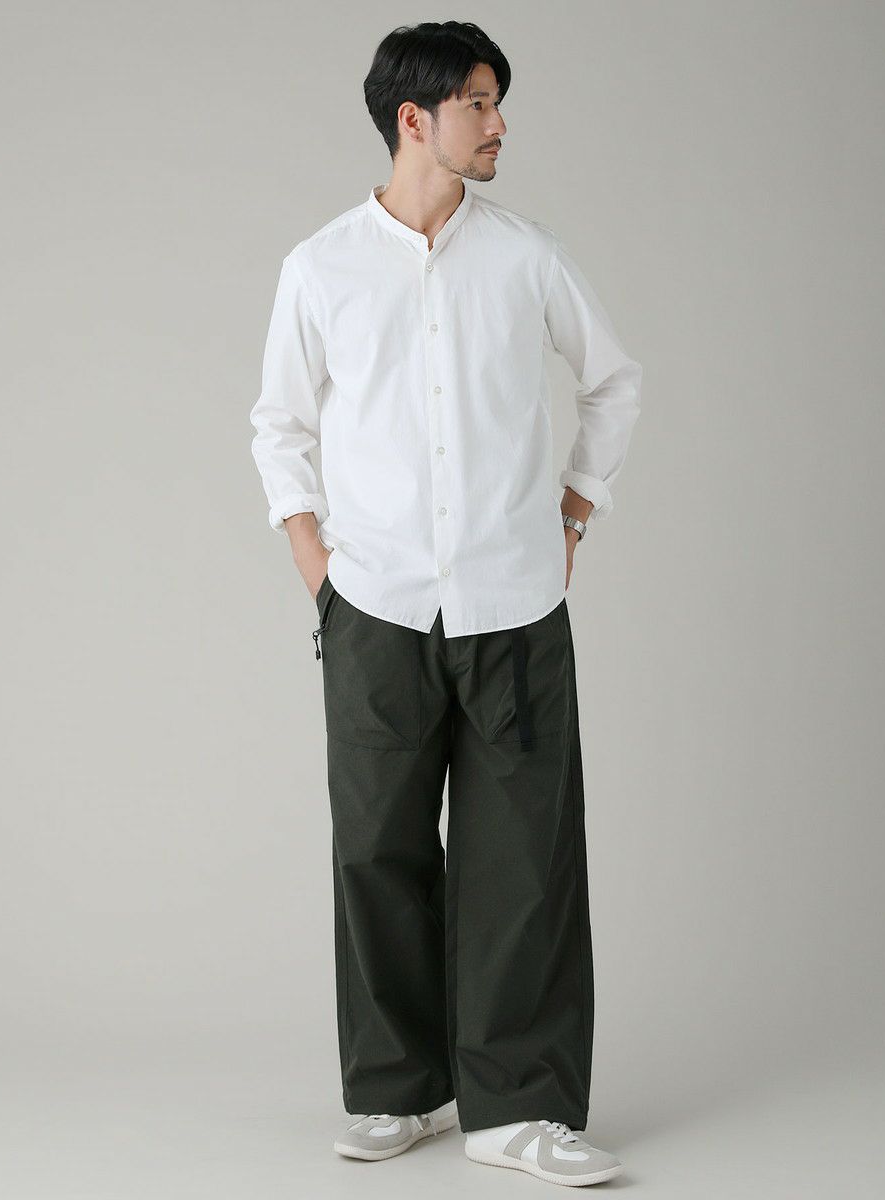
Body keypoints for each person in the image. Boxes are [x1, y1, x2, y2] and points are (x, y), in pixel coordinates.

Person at [248, 19, 642, 1189]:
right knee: (375, 848)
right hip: (372, 608)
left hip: (513, 605)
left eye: (496, 101)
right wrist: (320, 570)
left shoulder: (526, 258)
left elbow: (613, 383)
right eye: (479, 101)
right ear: (413, 119)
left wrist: (573, 515)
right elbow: (279, 427)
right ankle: (398, 1088)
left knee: (524, 859)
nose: (499, 123)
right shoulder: (320, 267)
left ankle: (521, 1109)